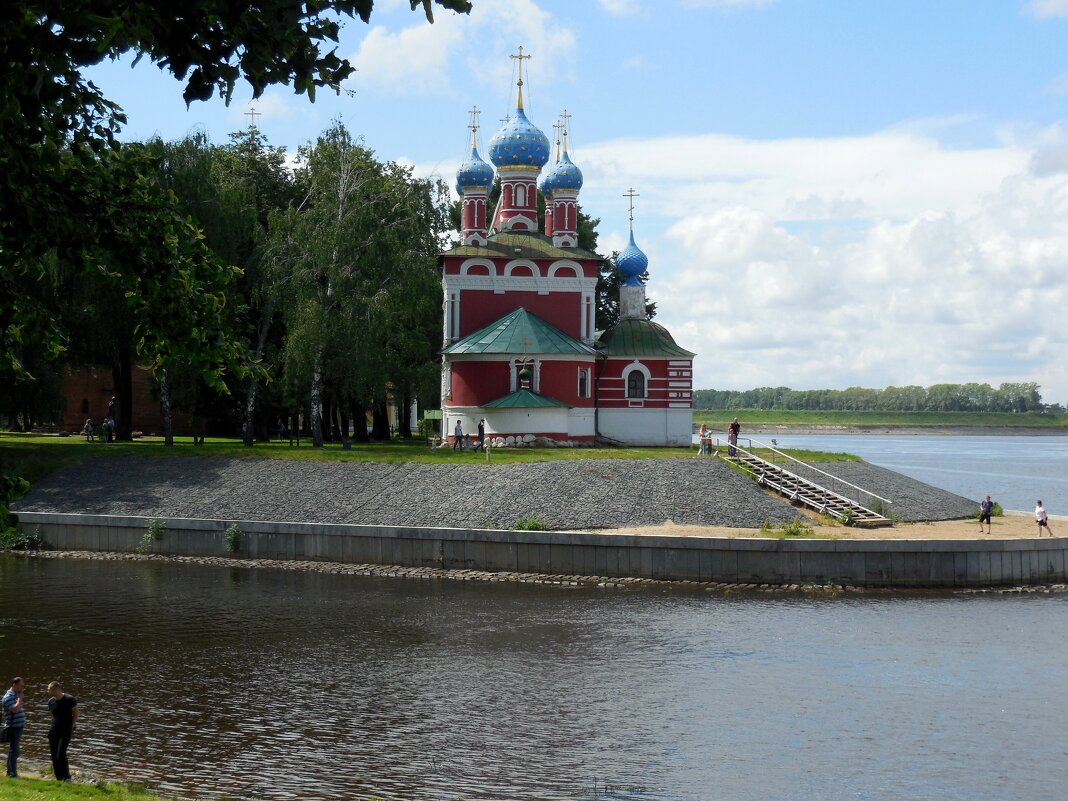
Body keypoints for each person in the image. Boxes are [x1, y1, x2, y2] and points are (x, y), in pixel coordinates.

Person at [46, 681, 77, 782]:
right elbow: (53, 715)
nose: (48, 691)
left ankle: (67, 777)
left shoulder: (69, 699)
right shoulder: (51, 701)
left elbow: (76, 713)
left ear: (56, 689)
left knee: (61, 753)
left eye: (49, 689)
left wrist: (72, 725)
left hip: (66, 731)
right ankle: (59, 777)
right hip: (54, 731)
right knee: (54, 755)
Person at [3, 677, 25, 778]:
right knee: (14, 750)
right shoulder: (8, 697)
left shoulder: (15, 695)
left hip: (18, 727)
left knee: (14, 750)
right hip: (13, 727)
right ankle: (12, 773)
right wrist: (20, 699)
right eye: (21, 685)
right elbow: (14, 709)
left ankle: (11, 772)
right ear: (14, 685)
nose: (23, 687)